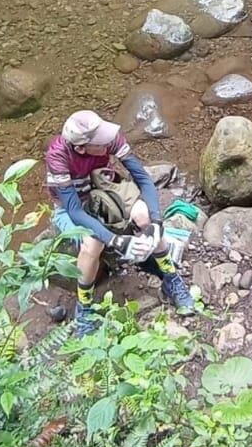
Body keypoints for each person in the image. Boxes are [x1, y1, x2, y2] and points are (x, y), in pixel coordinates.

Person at [46, 109, 195, 335]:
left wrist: (156, 221)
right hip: (72, 205)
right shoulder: (58, 157)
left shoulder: (109, 139)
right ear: (80, 147)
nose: (109, 141)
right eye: (101, 141)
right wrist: (117, 241)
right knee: (93, 243)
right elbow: (74, 210)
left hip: (106, 188)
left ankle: (171, 278)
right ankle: (84, 307)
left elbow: (142, 178)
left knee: (143, 215)